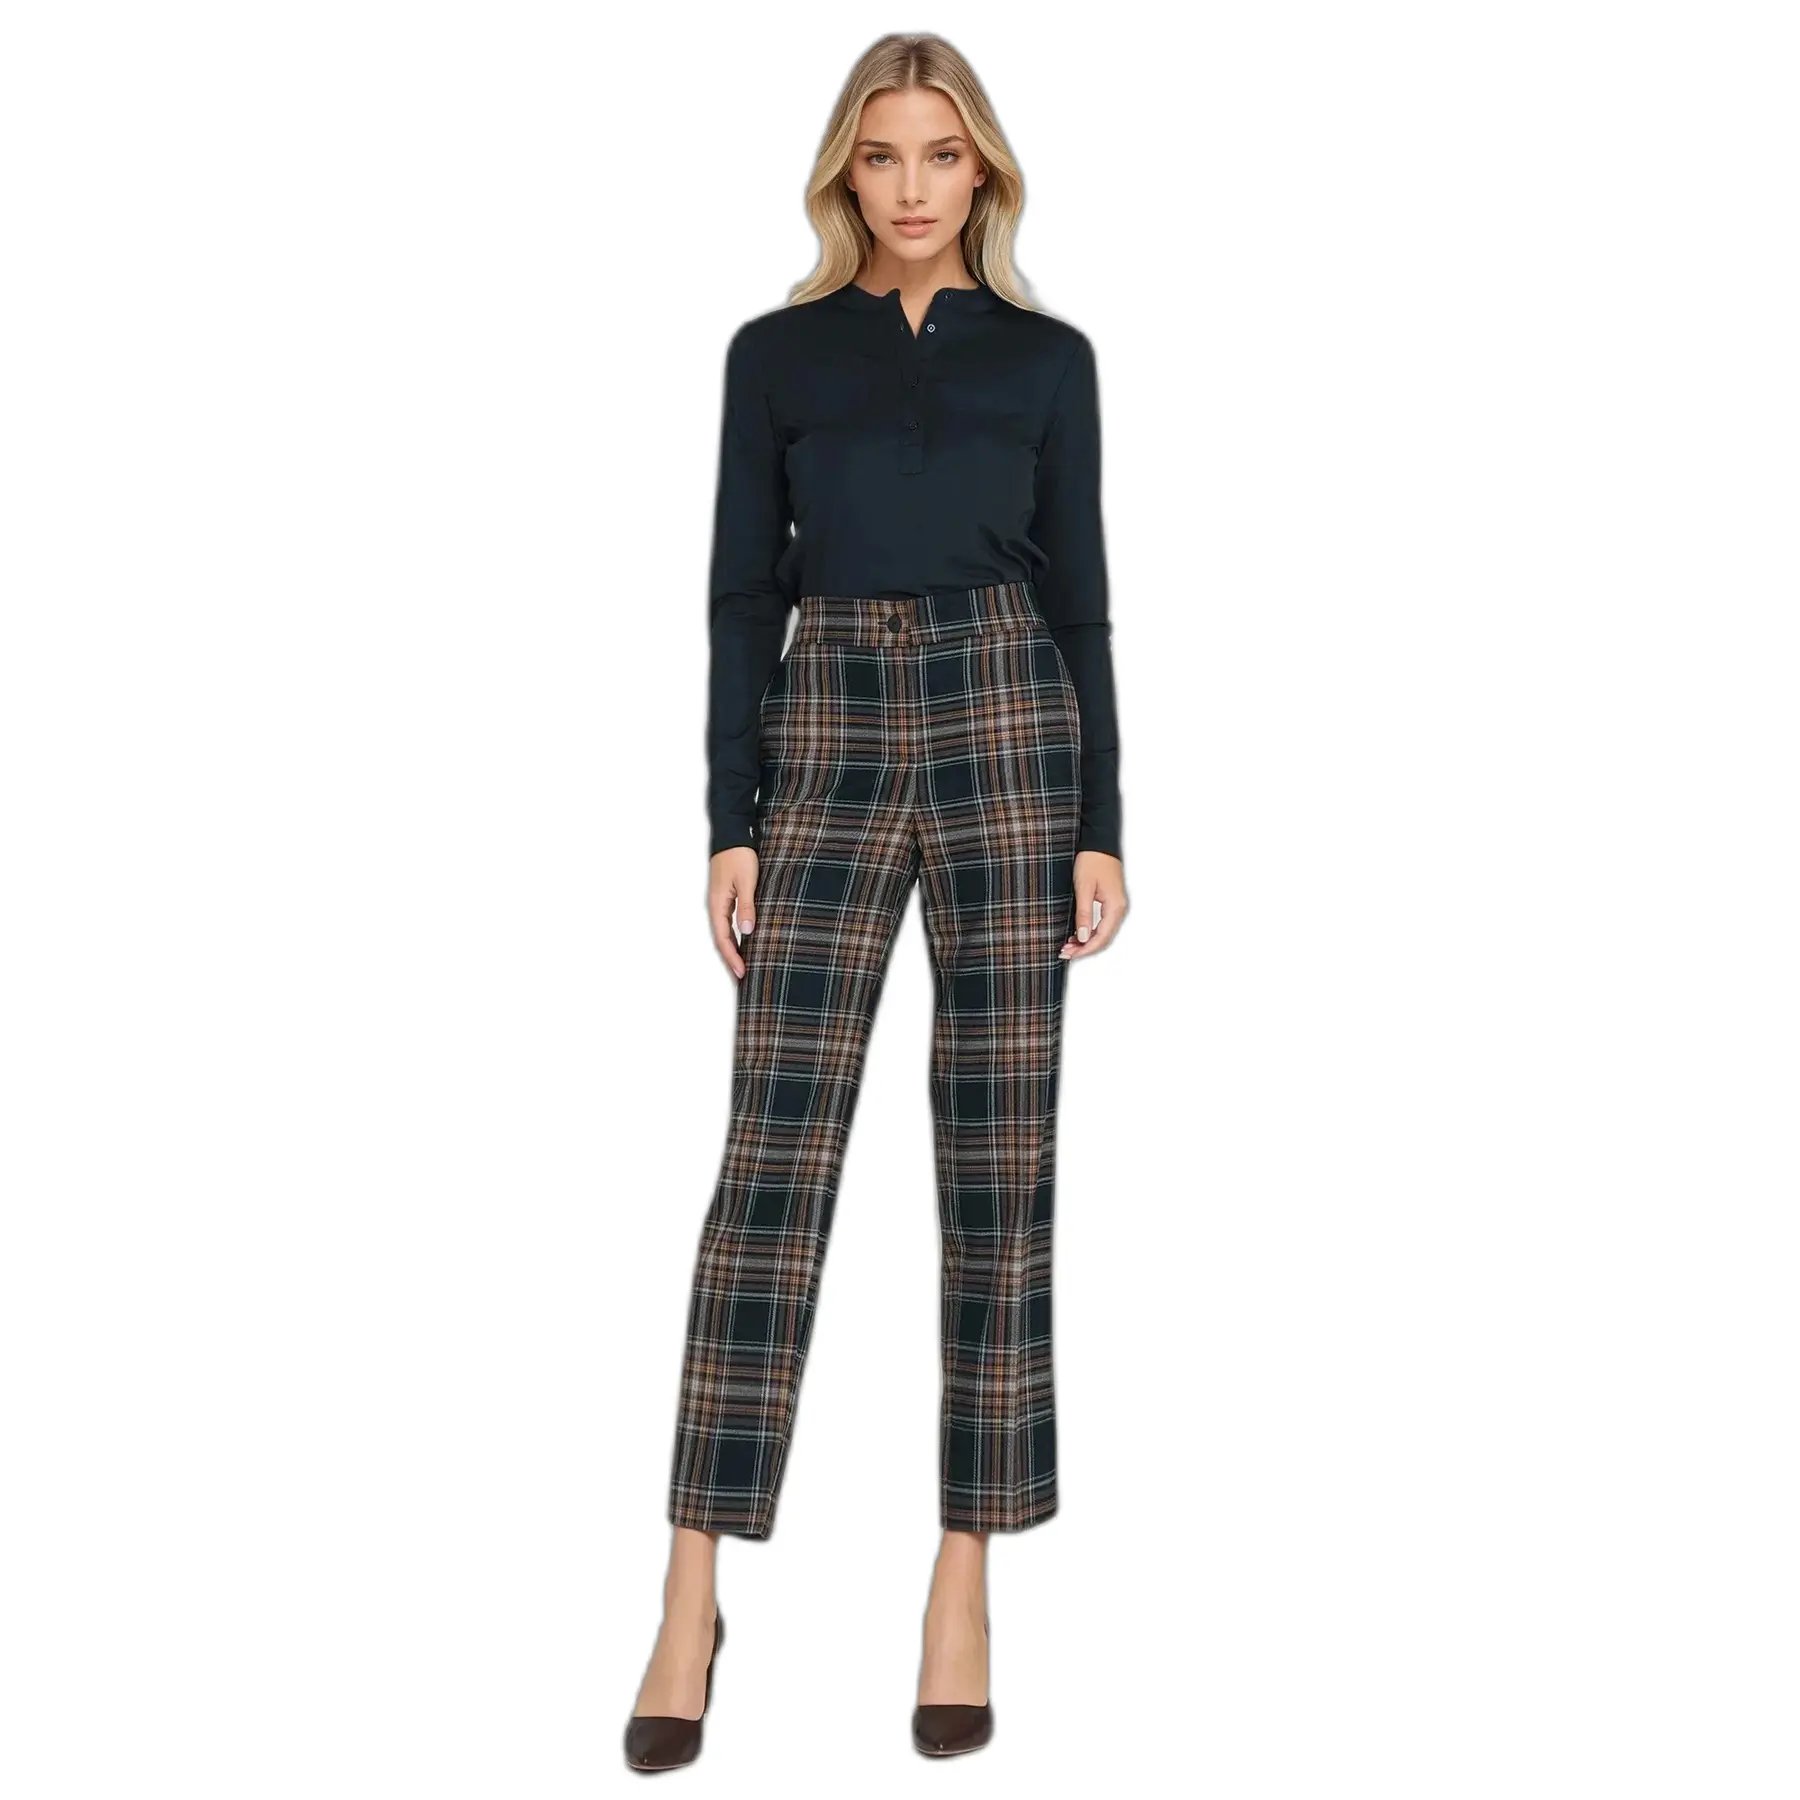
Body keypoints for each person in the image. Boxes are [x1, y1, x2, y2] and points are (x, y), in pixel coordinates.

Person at [626, 31, 1129, 1772]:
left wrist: (1102, 823)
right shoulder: (774, 356)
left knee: (999, 1155)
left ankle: (963, 1575)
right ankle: (689, 1585)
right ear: (845, 171)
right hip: (825, 726)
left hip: (1009, 725)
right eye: (882, 155)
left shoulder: (1050, 361)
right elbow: (735, 592)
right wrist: (730, 818)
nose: (913, 187)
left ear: (984, 171)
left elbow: (1083, 597)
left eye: (942, 155)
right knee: (772, 1164)